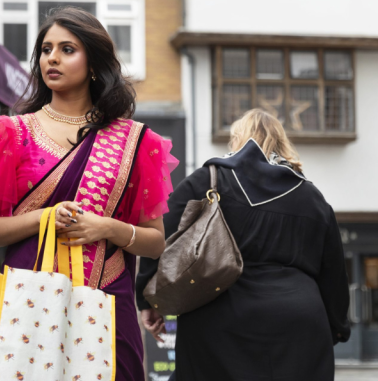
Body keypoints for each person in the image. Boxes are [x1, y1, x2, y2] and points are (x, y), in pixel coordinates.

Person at [0, 7, 178, 380]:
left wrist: (107, 228)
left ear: (93, 63)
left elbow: (156, 242)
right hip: (30, 303)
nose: (52, 59)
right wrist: (44, 217)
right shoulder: (9, 135)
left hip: (108, 301)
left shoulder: (135, 142)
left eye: (67, 49)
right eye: (46, 50)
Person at [137, 109, 350, 381]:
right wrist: (336, 327)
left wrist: (147, 298)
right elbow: (333, 272)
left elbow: (160, 233)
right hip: (298, 324)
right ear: (282, 142)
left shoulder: (209, 179)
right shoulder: (311, 195)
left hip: (218, 317)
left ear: (237, 139)